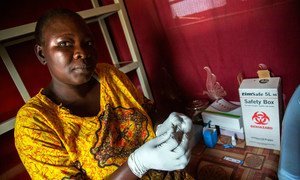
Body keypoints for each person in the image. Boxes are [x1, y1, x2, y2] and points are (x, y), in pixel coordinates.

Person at [14, 8, 194, 179]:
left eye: (88, 43)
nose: (82, 53)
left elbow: (148, 112)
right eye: (65, 44)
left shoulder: (110, 75)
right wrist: (137, 164)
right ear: (41, 53)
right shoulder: (34, 123)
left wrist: (165, 127)